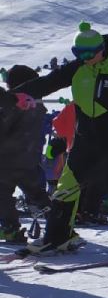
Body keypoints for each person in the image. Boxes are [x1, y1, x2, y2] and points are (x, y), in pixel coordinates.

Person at [21, 23, 108, 257]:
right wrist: (15, 94)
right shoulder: (78, 69)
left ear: (102, 49)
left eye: (88, 53)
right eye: (78, 53)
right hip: (84, 142)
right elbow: (47, 82)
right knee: (65, 189)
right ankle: (58, 237)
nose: (84, 58)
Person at [0, 65, 50, 243]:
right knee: (38, 195)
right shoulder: (38, 106)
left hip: (7, 161)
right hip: (29, 160)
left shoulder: (13, 106)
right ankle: (59, 225)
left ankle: (10, 228)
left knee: (3, 195)